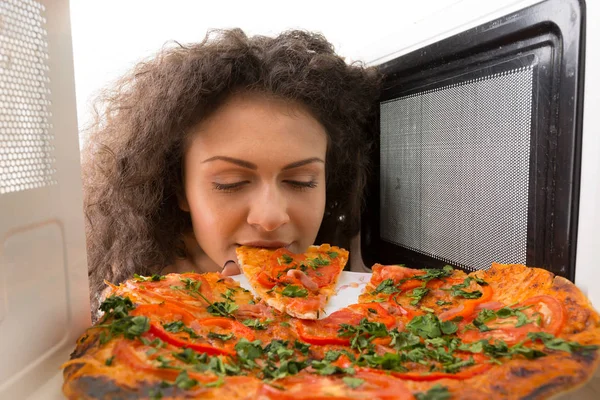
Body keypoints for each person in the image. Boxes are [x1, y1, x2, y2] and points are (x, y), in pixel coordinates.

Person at [82, 28, 382, 314]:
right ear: (179, 188)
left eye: (301, 181)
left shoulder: (346, 280)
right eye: (231, 183)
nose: (269, 217)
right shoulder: (133, 294)